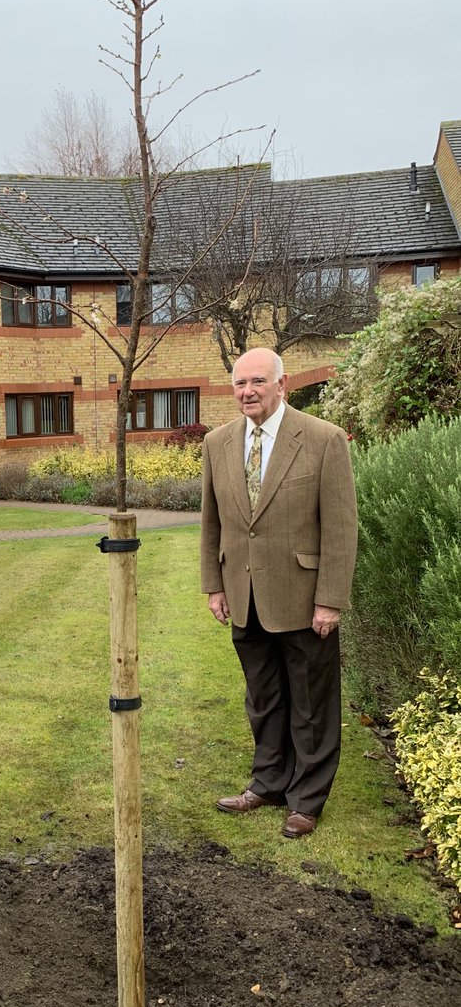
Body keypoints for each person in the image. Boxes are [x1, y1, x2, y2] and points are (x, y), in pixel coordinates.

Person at [200, 348, 357, 838]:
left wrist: (329, 598)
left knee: (311, 704)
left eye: (257, 382)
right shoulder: (218, 443)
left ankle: (306, 798)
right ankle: (268, 781)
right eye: (240, 383)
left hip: (304, 596)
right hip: (243, 594)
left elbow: (340, 527)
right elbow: (213, 523)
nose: (247, 392)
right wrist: (214, 585)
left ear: (281, 385)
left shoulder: (323, 439)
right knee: (263, 699)